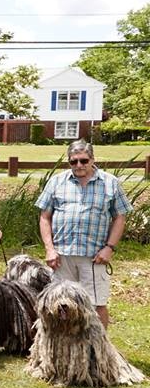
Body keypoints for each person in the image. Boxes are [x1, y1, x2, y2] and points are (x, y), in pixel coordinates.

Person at [37, 140, 132, 329]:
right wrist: (49, 249)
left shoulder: (110, 183)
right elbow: (44, 217)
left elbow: (120, 217)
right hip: (62, 256)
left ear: (92, 160)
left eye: (83, 160)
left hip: (94, 256)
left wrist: (109, 248)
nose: (79, 165)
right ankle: (63, 347)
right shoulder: (56, 181)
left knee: (96, 304)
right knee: (60, 304)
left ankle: (99, 349)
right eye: (74, 161)